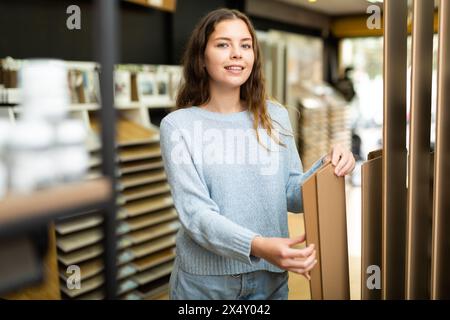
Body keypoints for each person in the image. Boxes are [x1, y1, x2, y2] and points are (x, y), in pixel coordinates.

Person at [160, 8, 355, 300]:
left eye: (245, 45)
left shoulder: (274, 116)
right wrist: (259, 245)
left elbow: (291, 193)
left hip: (270, 278)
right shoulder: (178, 126)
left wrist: (327, 168)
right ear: (201, 57)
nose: (236, 53)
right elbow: (196, 215)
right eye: (223, 44)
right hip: (207, 285)